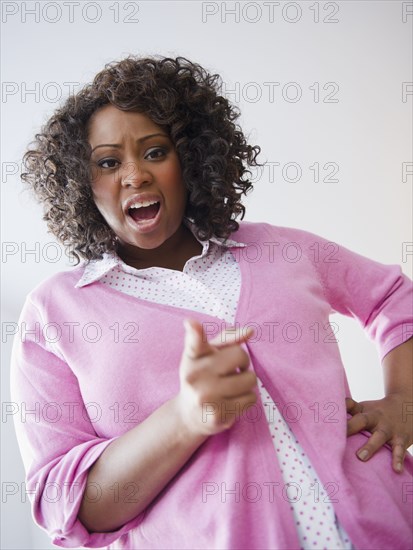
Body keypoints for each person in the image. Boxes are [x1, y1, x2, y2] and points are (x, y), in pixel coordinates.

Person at [11, 55, 412, 550]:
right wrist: (186, 417)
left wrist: (403, 401)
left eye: (155, 152)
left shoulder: (282, 249)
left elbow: (395, 298)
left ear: (192, 159)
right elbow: (68, 505)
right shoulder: (54, 314)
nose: (134, 175)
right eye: (109, 162)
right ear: (82, 183)